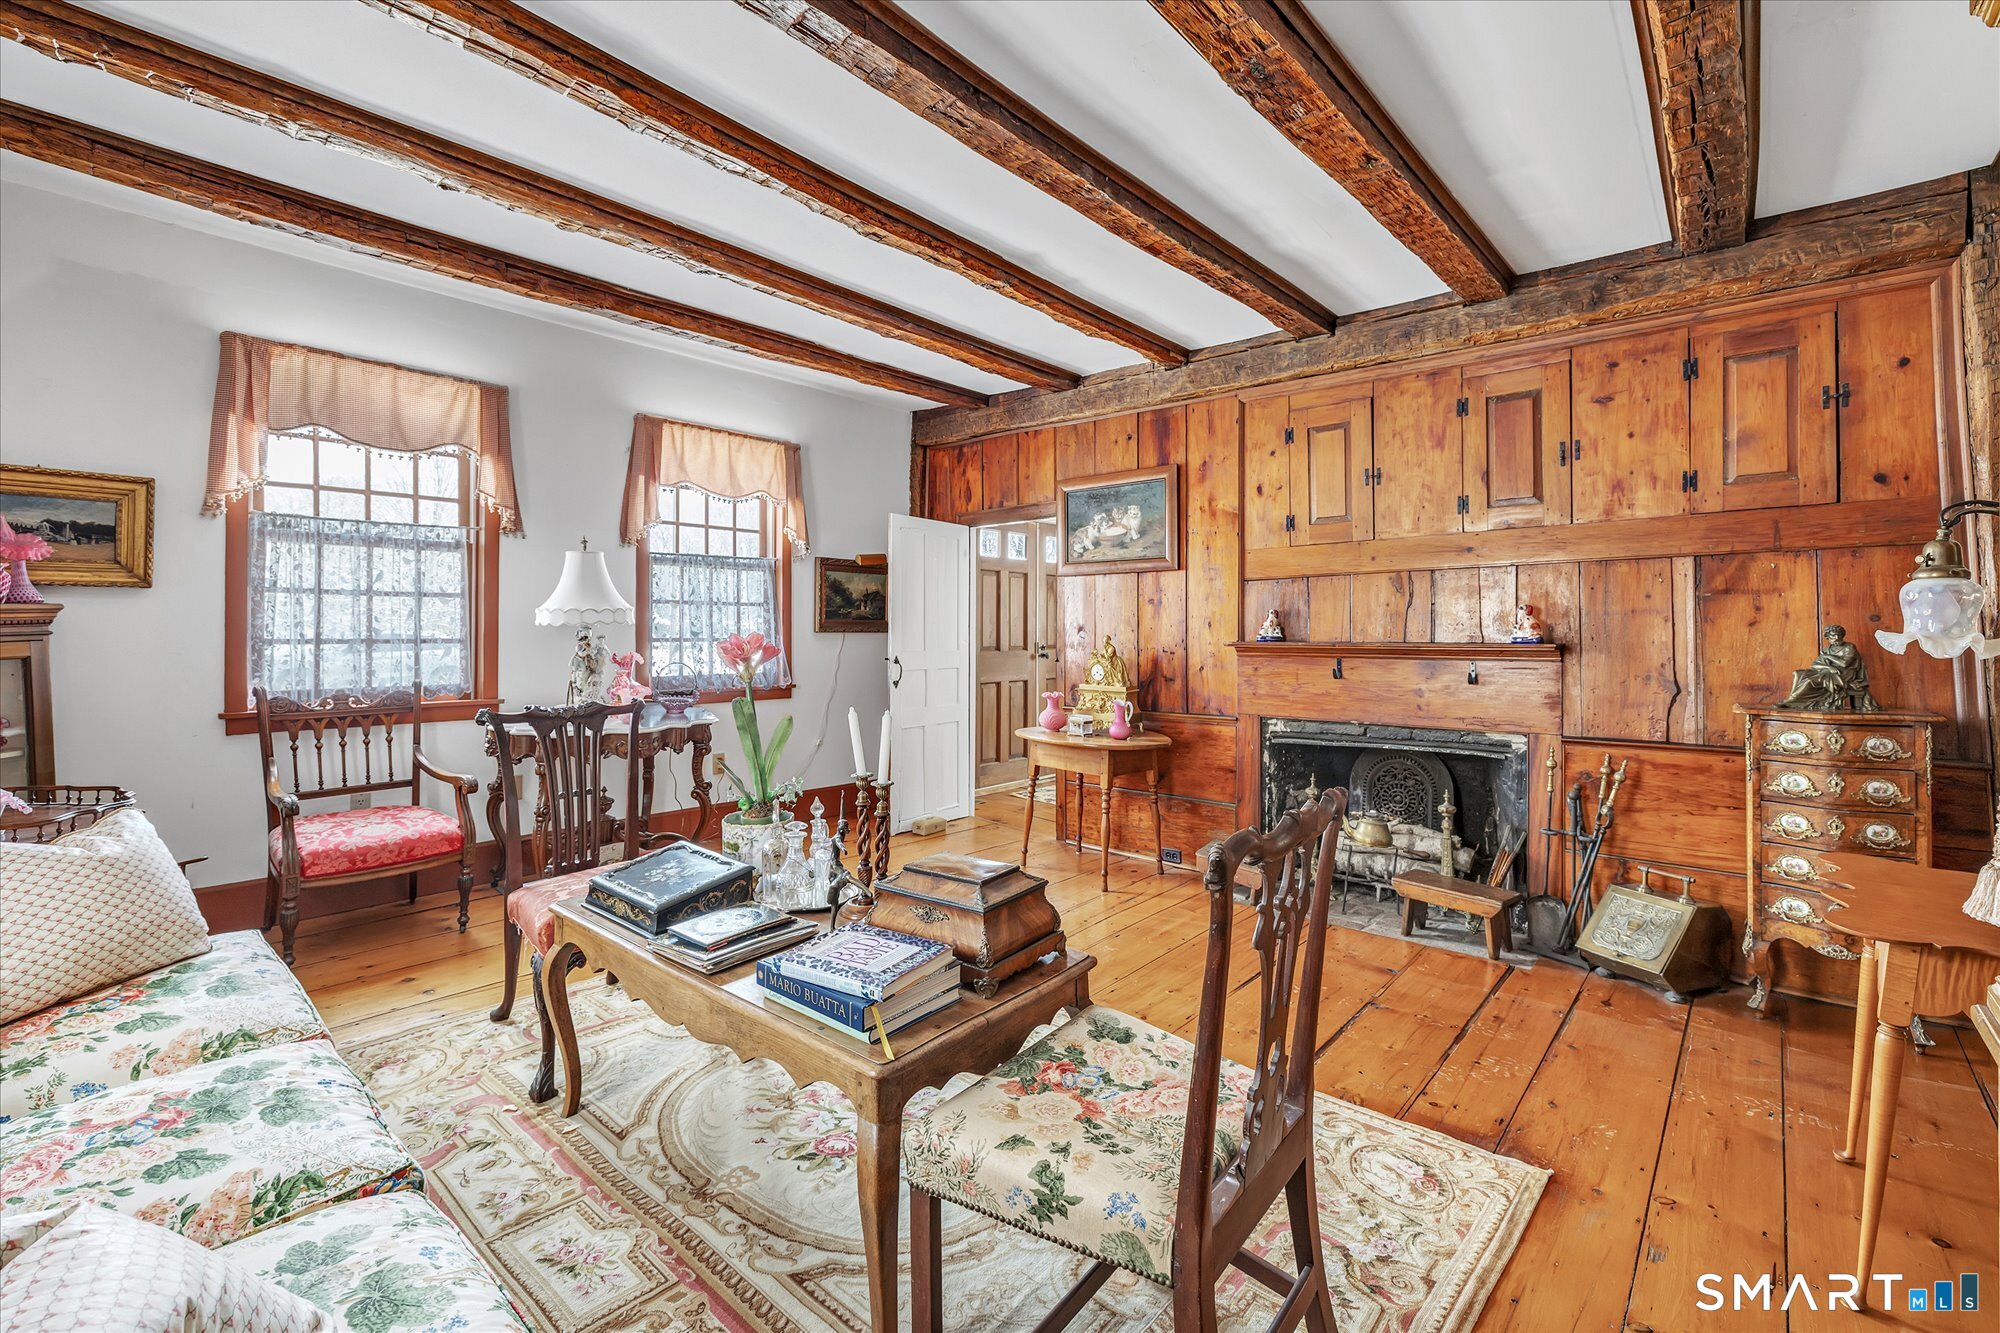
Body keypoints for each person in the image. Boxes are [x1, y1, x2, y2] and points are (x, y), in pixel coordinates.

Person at [1777, 624, 1880, 712]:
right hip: (1828, 671)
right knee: (1797, 673)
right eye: (1833, 636)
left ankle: (1791, 701)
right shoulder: (1828, 648)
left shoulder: (1849, 647)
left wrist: (1828, 657)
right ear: (1828, 638)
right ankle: (1793, 699)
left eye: (1838, 635)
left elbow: (1844, 664)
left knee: (1809, 681)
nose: (1836, 638)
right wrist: (1829, 667)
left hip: (1843, 674)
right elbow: (1815, 665)